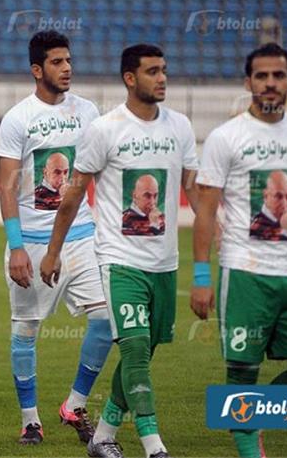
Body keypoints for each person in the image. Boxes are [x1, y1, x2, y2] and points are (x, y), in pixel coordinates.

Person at [40, 44, 200, 458]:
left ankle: (103, 436)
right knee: (134, 350)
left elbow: (194, 190)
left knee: (141, 354)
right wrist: (54, 251)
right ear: (130, 78)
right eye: (152, 71)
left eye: (164, 70)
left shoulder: (180, 127)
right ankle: (153, 445)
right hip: (119, 261)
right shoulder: (105, 129)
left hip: (165, 264)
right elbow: (73, 196)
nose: (161, 78)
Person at [191, 43, 287, 458]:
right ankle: (248, 444)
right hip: (245, 273)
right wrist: (202, 276)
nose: (270, 83)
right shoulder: (226, 138)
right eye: (262, 76)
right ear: (248, 83)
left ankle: (248, 417)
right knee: (242, 373)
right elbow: (206, 210)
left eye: (278, 75)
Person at [0, 31, 112, 447]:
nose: (67, 68)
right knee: (26, 331)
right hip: (31, 239)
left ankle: (75, 405)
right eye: (57, 62)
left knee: (106, 320)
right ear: (36, 69)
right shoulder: (18, 118)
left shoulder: (88, 111)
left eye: (69, 61)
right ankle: (30, 421)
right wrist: (16, 246)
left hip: (81, 236)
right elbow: (6, 187)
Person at [249, 170, 287, 240]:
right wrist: (286, 231)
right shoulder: (254, 230)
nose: (285, 204)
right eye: (278, 197)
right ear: (265, 196)